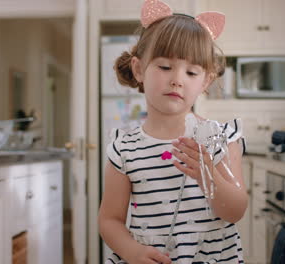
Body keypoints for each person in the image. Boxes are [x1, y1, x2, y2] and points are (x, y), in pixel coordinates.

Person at [98, 0, 248, 263]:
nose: (177, 79)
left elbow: (235, 211)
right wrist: (132, 251)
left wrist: (208, 175)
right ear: (139, 69)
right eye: (165, 67)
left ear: (205, 82)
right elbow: (109, 220)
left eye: (191, 72)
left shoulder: (220, 138)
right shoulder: (125, 147)